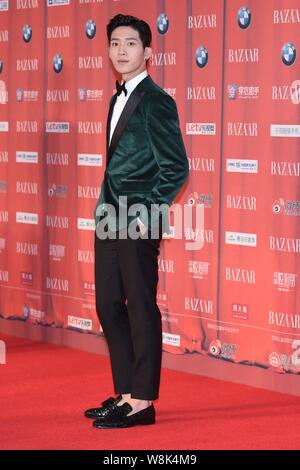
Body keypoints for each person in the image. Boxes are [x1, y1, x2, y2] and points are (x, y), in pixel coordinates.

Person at [85, 14, 188, 429]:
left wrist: (148, 213)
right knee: (108, 304)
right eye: (114, 43)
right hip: (110, 214)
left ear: (147, 52)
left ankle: (143, 402)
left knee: (141, 306)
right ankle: (126, 393)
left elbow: (176, 167)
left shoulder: (158, 100)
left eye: (130, 44)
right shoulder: (117, 98)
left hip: (137, 219)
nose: (120, 50)